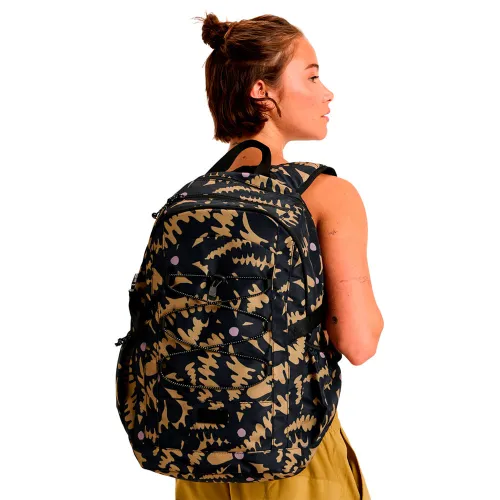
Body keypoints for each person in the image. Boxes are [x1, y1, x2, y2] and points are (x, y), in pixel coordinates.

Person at [176, 11, 384, 500]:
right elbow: (358, 342)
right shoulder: (327, 194)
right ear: (261, 91)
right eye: (311, 76)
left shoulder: (190, 201)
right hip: (293, 450)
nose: (327, 93)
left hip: (199, 457)